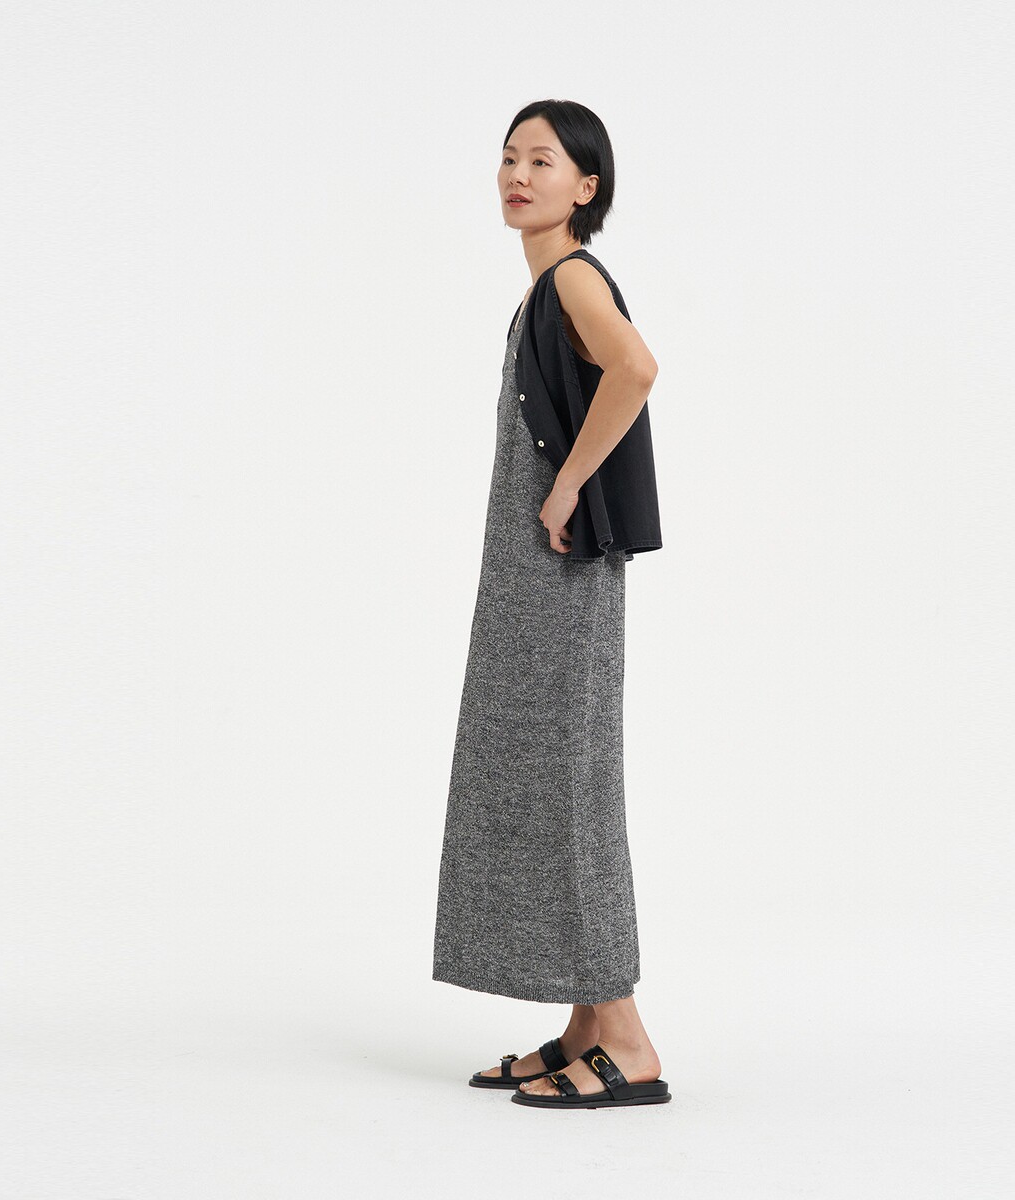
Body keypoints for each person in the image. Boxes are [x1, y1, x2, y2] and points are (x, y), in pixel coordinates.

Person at [431, 99, 671, 1110]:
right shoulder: (545, 288)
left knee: (564, 789)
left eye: (542, 161)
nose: (517, 176)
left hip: (557, 576)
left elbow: (636, 367)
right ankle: (585, 1025)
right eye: (508, 158)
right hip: (535, 576)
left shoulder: (571, 276)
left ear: (587, 186)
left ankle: (628, 1040)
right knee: (544, 781)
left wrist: (569, 483)